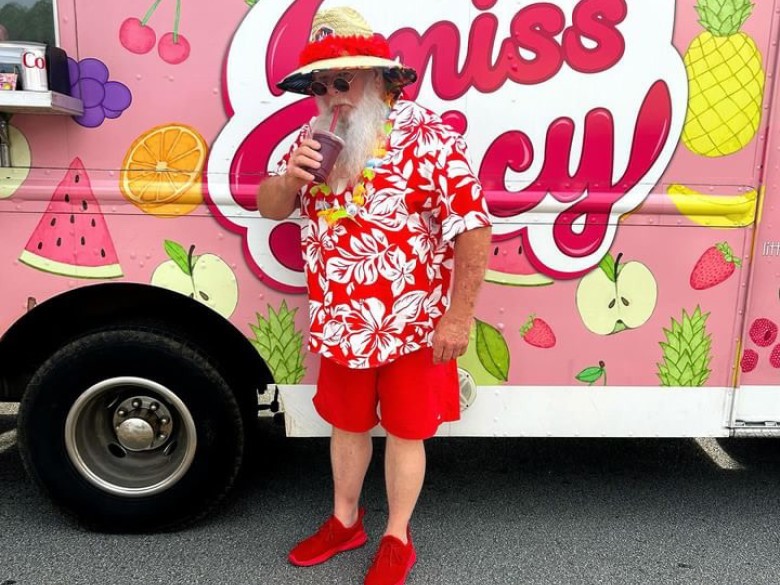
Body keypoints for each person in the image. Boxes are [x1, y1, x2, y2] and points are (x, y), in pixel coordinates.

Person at [257, 6, 492, 585]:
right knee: (346, 425)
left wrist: (458, 318)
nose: (330, 94)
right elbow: (269, 207)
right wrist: (288, 180)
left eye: (342, 79)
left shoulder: (429, 135)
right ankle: (345, 522)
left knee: (408, 432)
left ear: (379, 77)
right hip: (341, 321)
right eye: (319, 84)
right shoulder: (310, 141)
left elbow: (473, 227)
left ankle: (397, 536)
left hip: (412, 322)